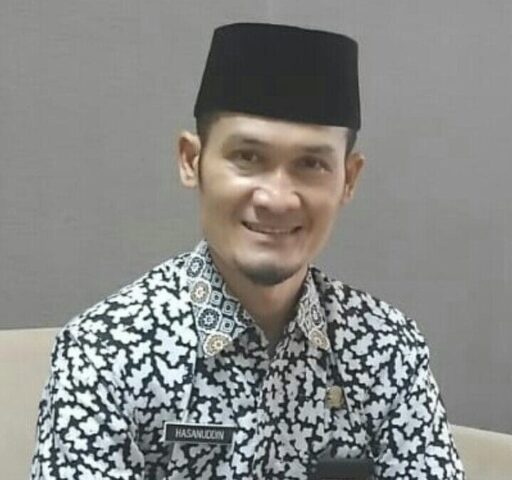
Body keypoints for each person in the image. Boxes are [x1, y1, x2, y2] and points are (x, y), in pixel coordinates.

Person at [30, 22, 465, 479]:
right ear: (191, 161)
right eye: (248, 157)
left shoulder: (387, 349)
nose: (277, 198)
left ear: (348, 180)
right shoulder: (105, 353)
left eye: (311, 164)